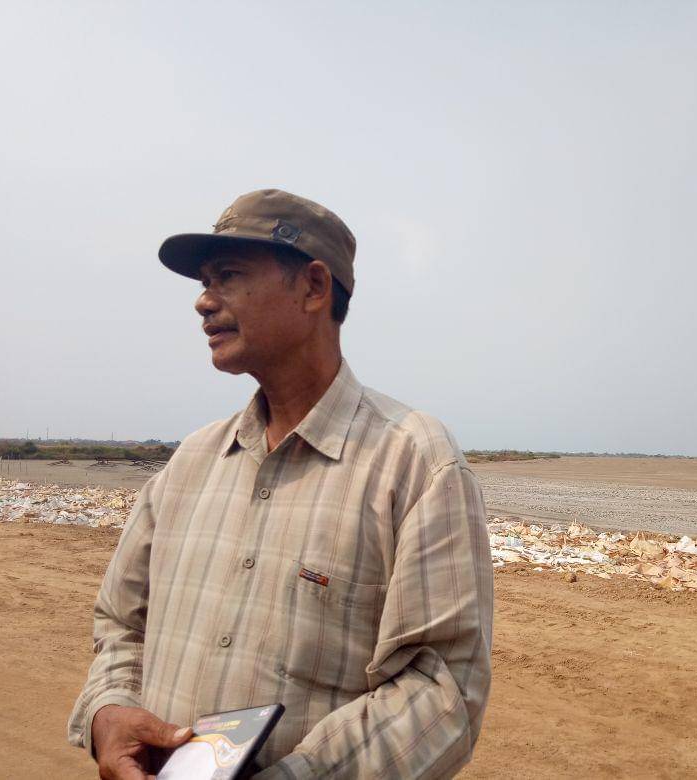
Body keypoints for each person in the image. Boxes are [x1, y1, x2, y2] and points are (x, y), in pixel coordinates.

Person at [67, 189, 494, 779]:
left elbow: (441, 690)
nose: (203, 301)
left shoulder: (415, 462)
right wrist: (108, 711)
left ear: (314, 287)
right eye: (204, 282)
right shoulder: (190, 464)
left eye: (229, 275)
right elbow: (121, 622)